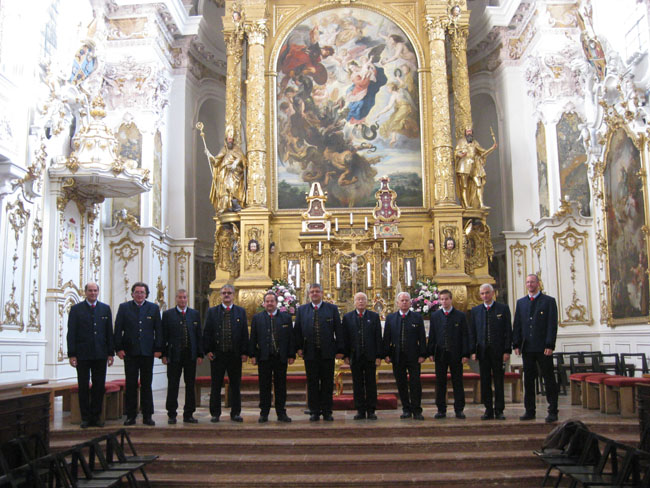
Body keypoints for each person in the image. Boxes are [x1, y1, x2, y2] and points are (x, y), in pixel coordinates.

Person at [114, 282, 163, 426]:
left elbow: (158, 330)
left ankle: (147, 415)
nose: (139, 295)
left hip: (147, 353)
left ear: (146, 294)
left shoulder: (153, 308)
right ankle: (131, 416)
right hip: (130, 353)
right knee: (131, 385)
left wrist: (158, 348)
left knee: (147, 385)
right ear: (132, 294)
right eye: (137, 292)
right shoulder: (124, 308)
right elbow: (118, 330)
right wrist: (118, 348)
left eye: (142, 292)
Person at [512, 274, 559, 423]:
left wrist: (550, 345)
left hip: (543, 347)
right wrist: (516, 344)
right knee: (528, 381)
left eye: (532, 282)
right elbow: (517, 324)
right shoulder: (521, 303)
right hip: (527, 348)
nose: (530, 284)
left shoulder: (549, 301)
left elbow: (552, 325)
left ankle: (553, 411)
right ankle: (529, 410)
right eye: (527, 282)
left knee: (548, 379)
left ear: (538, 283)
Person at [66, 282, 114, 428]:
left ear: (98, 292)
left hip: (100, 354)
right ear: (85, 292)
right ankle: (85, 418)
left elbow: (109, 333)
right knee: (83, 386)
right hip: (82, 355)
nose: (93, 293)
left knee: (99, 387)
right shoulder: (76, 309)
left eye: (95, 290)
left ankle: (96, 417)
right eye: (90, 291)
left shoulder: (105, 309)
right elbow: (71, 333)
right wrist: (72, 354)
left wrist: (110, 353)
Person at [294, 283, 344, 421]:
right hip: (310, 352)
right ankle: (314, 411)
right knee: (312, 382)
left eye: (317, 291)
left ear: (322, 293)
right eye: (312, 292)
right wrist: (298, 348)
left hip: (327, 352)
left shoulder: (332, 309)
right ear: (309, 294)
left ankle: (327, 411)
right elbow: (297, 331)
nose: (314, 294)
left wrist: (340, 349)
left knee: (327, 382)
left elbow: (338, 330)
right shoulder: (302, 310)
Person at [202, 284, 249, 422]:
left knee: (235, 385)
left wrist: (244, 352)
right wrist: (207, 350)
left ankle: (235, 413)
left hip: (235, 355)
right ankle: (215, 413)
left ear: (233, 295)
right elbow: (207, 332)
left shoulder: (241, 312)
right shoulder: (212, 312)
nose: (227, 295)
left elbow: (244, 334)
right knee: (216, 385)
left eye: (229, 293)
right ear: (221, 295)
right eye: (224, 293)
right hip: (218, 354)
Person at [249, 292, 295, 423]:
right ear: (264, 303)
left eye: (272, 301)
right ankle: (264, 412)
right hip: (264, 357)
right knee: (264, 386)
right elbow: (253, 338)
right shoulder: (257, 318)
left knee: (281, 386)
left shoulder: (286, 317)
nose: (269, 303)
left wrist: (291, 355)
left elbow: (291, 338)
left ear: (276, 303)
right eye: (267, 301)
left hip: (280, 357)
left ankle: (281, 413)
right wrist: (253, 355)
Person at [469, 284, 512, 420]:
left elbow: (508, 331)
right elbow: (473, 333)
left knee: (499, 381)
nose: (485, 296)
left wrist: (507, 350)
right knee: (485, 381)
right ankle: (488, 409)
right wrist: (473, 351)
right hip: (483, 352)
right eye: (482, 293)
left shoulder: (502, 309)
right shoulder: (475, 311)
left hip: (498, 351)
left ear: (493, 293)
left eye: (487, 293)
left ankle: (499, 410)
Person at [161, 289, 203, 424]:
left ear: (187, 298)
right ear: (176, 299)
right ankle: (172, 414)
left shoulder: (194, 314)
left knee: (190, 385)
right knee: (173, 385)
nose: (182, 300)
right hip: (174, 355)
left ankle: (189, 413)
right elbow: (163, 336)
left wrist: (200, 354)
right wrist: (163, 354)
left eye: (184, 297)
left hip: (190, 355)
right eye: (180, 297)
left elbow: (198, 336)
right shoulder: (168, 315)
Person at [383, 292, 427, 420]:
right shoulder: (391, 318)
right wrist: (386, 354)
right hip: (397, 356)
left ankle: (417, 410)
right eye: (402, 300)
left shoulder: (417, 317)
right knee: (401, 383)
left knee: (415, 383)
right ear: (397, 303)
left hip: (414, 356)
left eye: (406, 300)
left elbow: (422, 337)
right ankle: (406, 409)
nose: (404, 302)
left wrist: (423, 354)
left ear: (410, 302)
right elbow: (387, 338)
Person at [428, 289, 470, 419]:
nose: (444, 301)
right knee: (440, 382)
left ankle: (459, 409)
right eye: (442, 299)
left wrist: (465, 354)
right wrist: (430, 352)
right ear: (439, 301)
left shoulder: (460, 316)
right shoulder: (435, 316)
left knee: (457, 382)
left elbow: (465, 336)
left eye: (446, 299)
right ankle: (441, 409)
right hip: (440, 354)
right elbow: (432, 335)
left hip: (456, 354)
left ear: (451, 299)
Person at [342, 292, 383, 420]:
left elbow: (378, 337)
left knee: (371, 384)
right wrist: (346, 355)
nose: (360, 302)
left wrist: (378, 356)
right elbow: (345, 338)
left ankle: (371, 410)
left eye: (363, 299)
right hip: (355, 356)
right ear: (354, 302)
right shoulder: (347, 317)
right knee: (357, 384)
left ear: (367, 302)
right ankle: (360, 410)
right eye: (358, 299)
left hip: (370, 356)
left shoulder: (374, 316)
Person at [206, 125, 247, 215]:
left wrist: (235, 163)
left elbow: (243, 159)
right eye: (229, 139)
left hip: (235, 173)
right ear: (226, 140)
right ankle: (225, 206)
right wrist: (210, 156)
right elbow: (216, 161)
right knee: (225, 190)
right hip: (225, 173)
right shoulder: (224, 149)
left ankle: (235, 204)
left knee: (233, 188)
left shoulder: (237, 149)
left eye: (231, 139)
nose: (230, 141)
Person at [454, 127, 496, 208]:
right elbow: (456, 152)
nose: (469, 133)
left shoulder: (475, 143)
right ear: (465, 133)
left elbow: (483, 153)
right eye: (467, 131)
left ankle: (481, 204)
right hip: (464, 166)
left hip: (474, 166)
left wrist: (492, 148)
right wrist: (461, 155)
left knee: (478, 184)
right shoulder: (461, 142)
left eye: (470, 131)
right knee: (464, 186)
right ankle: (466, 205)